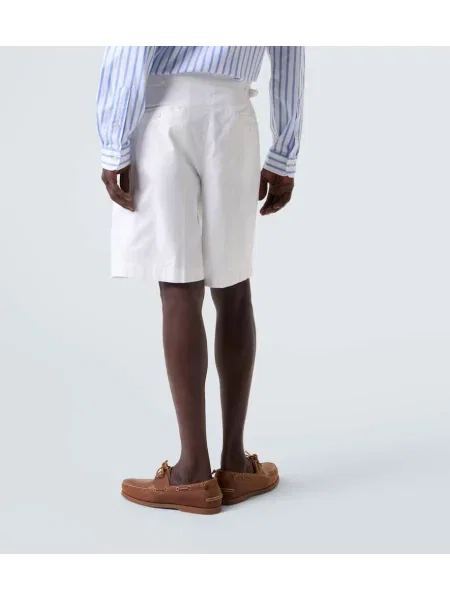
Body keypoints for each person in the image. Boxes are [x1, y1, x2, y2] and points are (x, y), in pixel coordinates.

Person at [97, 46, 305, 515]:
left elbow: (131, 42)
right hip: (233, 115)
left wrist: (113, 142)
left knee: (178, 287)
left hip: (164, 113)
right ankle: (235, 465)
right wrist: (284, 154)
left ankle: (192, 472)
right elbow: (290, 50)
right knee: (234, 287)